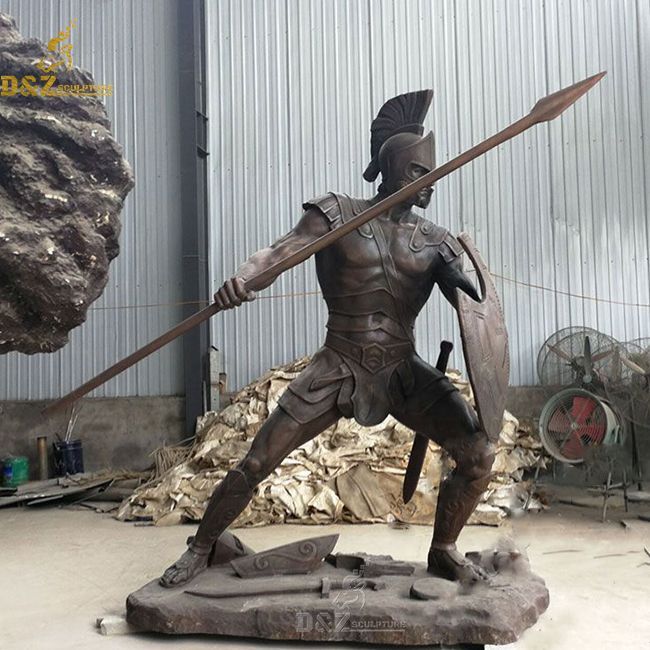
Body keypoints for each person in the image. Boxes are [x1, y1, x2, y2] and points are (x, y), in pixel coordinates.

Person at [160, 90, 495, 587]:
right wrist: (243, 280)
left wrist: (471, 290)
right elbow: (279, 252)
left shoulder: (437, 242)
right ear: (392, 169)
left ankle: (444, 550)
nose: (428, 184)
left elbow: (470, 304)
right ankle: (200, 548)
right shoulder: (337, 214)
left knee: (478, 454)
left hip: (402, 370)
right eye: (417, 172)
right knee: (258, 459)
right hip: (338, 363)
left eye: (431, 175)